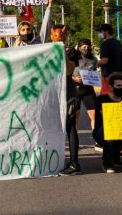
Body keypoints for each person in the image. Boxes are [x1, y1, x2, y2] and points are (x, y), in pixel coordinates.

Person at [50, 25, 81, 176]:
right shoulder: (45, 51)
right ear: (51, 36)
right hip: (51, 95)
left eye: (61, 35)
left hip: (68, 95)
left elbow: (69, 71)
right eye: (56, 35)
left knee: (70, 128)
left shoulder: (71, 52)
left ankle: (75, 163)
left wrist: (62, 50)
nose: (59, 37)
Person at [91, 72, 122, 173]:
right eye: (118, 85)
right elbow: (108, 122)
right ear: (111, 86)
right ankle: (107, 163)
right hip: (103, 131)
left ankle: (115, 155)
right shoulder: (101, 100)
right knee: (110, 131)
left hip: (120, 132)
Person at [71, 39, 98, 131]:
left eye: (88, 47)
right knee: (75, 117)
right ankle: (75, 141)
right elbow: (65, 73)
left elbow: (94, 73)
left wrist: (93, 79)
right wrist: (74, 79)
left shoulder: (93, 59)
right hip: (75, 90)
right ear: (79, 48)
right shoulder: (73, 58)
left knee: (94, 115)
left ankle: (97, 139)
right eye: (84, 47)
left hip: (88, 89)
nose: (86, 49)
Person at [97, 24, 122, 95]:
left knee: (106, 97)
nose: (99, 34)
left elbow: (105, 60)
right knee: (116, 96)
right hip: (119, 76)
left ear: (106, 32)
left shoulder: (105, 44)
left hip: (108, 76)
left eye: (100, 32)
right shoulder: (119, 43)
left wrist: (97, 63)